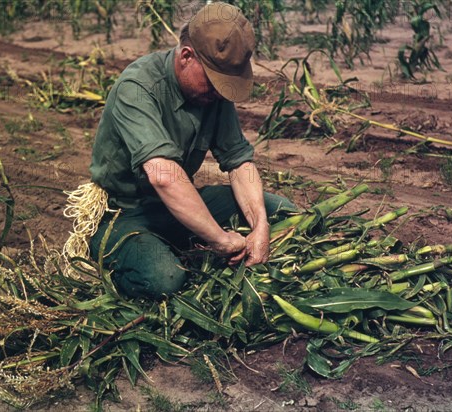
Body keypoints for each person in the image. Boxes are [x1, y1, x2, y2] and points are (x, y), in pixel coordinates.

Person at [85, 2, 295, 299]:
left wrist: (260, 225)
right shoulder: (138, 87)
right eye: (215, 83)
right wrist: (220, 239)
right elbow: (164, 176)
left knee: (281, 211)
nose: (220, 93)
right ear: (186, 56)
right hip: (125, 213)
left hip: (180, 205)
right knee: (165, 280)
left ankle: (181, 240)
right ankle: (120, 257)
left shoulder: (213, 95)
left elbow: (239, 162)